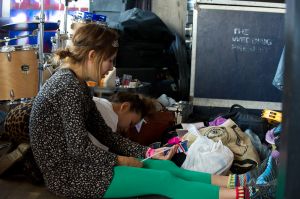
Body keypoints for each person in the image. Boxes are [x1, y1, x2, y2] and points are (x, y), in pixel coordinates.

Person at [29, 23, 275, 199]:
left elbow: (105, 135)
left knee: (167, 168)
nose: (110, 68)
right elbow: (78, 148)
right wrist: (121, 160)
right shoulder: (67, 87)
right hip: (72, 177)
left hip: (82, 168)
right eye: (109, 60)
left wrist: (148, 151)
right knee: (163, 180)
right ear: (92, 56)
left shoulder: (76, 84)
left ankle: (243, 181)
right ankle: (249, 195)